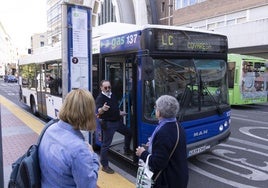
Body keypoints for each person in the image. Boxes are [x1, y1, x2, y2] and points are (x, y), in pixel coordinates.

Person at [39, 89, 100, 188]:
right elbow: (89, 185)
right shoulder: (79, 149)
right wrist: (93, 156)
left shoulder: (49, 129)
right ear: (86, 114)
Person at [136, 95, 189, 188]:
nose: (155, 109)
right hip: (179, 177)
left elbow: (158, 163)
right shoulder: (176, 125)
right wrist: (153, 145)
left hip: (168, 182)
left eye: (156, 107)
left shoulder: (164, 132)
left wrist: (143, 153)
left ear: (159, 112)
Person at [96, 80, 132, 174]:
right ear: (101, 88)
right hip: (108, 124)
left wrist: (120, 113)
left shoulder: (112, 95)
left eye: (109, 87)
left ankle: (127, 150)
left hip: (117, 121)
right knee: (105, 145)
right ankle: (104, 166)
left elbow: (114, 108)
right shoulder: (100, 98)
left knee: (129, 133)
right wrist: (102, 109)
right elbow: (99, 111)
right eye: (105, 88)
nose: (108, 89)